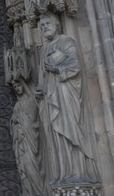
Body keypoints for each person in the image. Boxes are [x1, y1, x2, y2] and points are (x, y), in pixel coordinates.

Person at [38, 13, 97, 184]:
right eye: (41, 26)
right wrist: (40, 90)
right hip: (52, 96)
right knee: (57, 134)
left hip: (66, 93)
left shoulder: (66, 41)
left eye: (47, 23)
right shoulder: (44, 49)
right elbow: (43, 76)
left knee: (69, 128)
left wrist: (57, 70)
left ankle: (78, 171)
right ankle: (65, 173)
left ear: (57, 24)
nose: (44, 27)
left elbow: (75, 65)